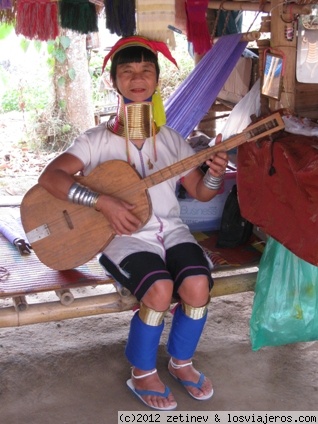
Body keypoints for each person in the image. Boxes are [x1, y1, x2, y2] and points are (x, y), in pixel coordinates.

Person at [38, 36, 229, 411]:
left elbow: (202, 193)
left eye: (146, 70)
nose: (137, 78)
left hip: (172, 233)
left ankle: (182, 362)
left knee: (196, 284)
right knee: (158, 289)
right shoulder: (94, 141)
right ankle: (142, 371)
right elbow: (51, 177)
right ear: (113, 81)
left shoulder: (173, 141)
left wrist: (214, 175)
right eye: (127, 71)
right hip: (121, 240)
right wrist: (99, 200)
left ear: (157, 80)